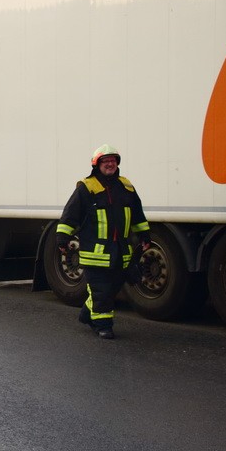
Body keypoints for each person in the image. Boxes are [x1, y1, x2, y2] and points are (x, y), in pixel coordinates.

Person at [56, 144, 151, 340]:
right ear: (96, 164)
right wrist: (62, 238)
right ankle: (103, 325)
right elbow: (70, 214)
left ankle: (86, 314)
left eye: (113, 161)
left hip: (120, 251)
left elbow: (137, 214)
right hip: (96, 253)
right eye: (106, 161)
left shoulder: (126, 186)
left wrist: (144, 235)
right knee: (101, 290)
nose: (110, 164)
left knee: (113, 287)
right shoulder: (86, 187)